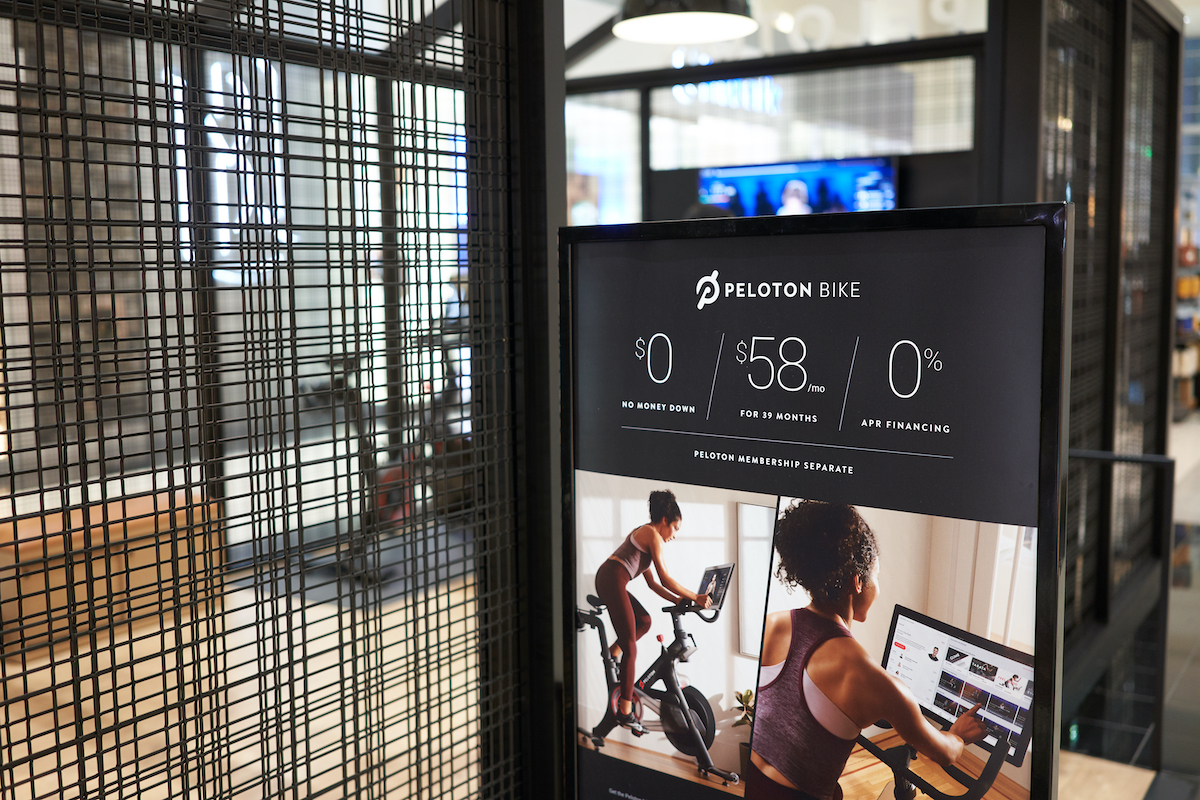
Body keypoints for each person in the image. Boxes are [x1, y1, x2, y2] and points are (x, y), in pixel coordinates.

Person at [750, 500, 987, 800]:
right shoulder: (868, 679)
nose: (878, 585)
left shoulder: (772, 625)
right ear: (857, 582)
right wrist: (957, 735)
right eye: (877, 576)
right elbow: (944, 754)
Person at [595, 489, 712, 734]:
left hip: (613, 578)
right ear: (664, 522)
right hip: (612, 577)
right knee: (632, 647)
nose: (675, 535)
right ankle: (625, 711)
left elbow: (653, 584)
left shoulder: (646, 534)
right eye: (675, 528)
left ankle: (612, 652)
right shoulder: (651, 534)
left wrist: (679, 600)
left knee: (645, 621)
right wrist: (696, 597)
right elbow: (665, 577)